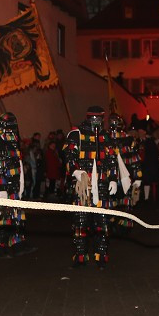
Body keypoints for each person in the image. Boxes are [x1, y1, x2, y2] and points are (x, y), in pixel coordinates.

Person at [62, 106, 117, 268]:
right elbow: (68, 155)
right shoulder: (76, 134)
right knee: (80, 221)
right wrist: (75, 171)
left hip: (102, 184)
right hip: (83, 186)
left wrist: (113, 178)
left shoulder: (106, 136)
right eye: (93, 119)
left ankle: (101, 255)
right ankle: (80, 255)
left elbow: (112, 159)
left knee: (103, 222)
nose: (96, 122)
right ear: (88, 118)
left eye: (98, 119)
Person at [0, 112, 34, 257]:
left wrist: (20, 184)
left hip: (14, 183)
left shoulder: (12, 139)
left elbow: (16, 162)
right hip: (3, 185)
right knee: (2, 216)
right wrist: (1, 190)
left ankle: (16, 242)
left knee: (16, 215)